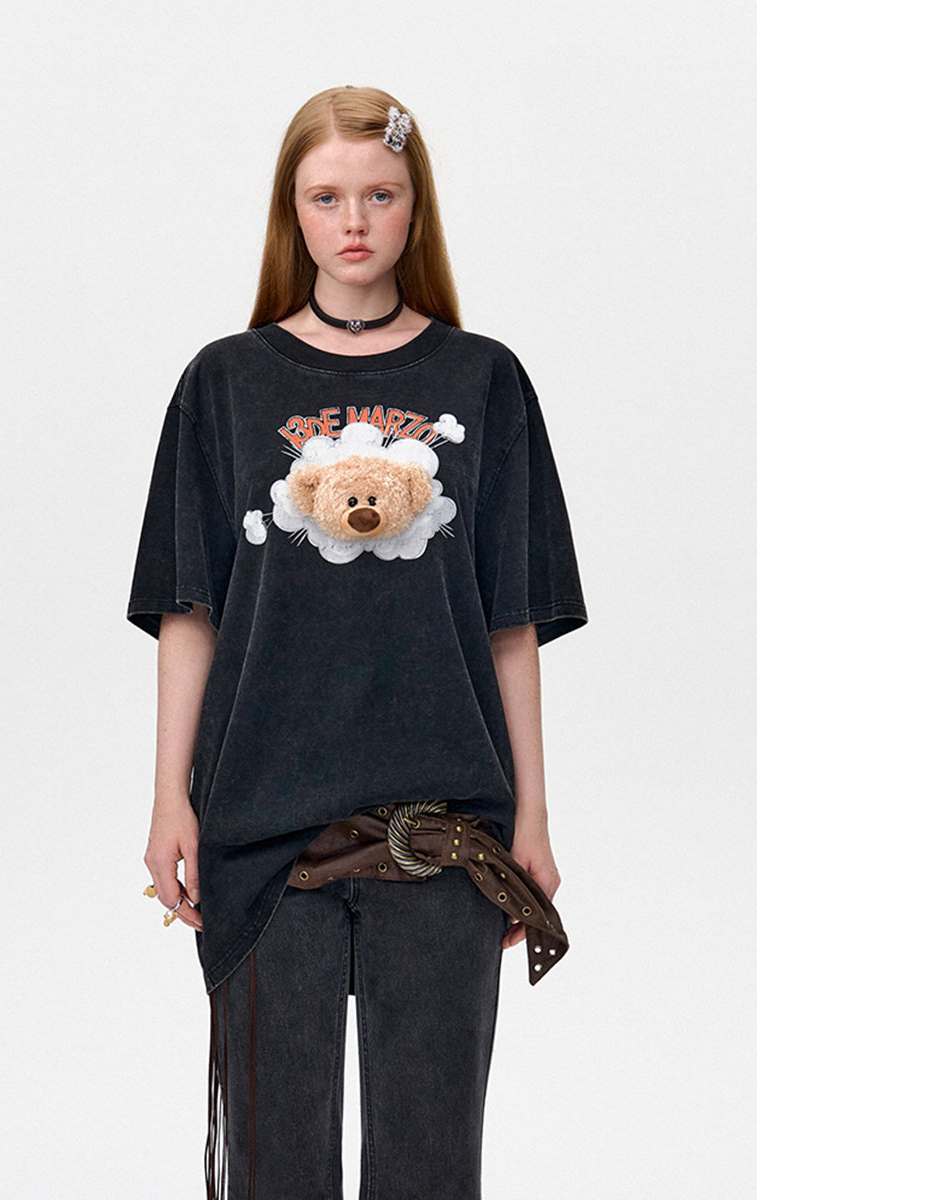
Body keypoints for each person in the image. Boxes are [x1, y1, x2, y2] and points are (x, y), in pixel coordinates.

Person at [128, 85, 588, 1200]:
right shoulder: (224, 383)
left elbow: (512, 624)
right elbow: (190, 614)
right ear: (290, 210)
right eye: (326, 196)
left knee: (430, 1165)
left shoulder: (484, 378)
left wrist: (531, 818)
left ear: (415, 207)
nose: (354, 221)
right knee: (274, 1166)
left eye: (380, 195)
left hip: (444, 835)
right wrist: (168, 801)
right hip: (258, 830)